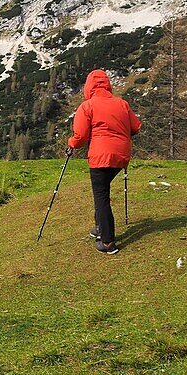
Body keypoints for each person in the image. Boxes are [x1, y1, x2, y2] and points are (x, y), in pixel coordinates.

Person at [67, 69, 141, 255]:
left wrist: (71, 143)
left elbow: (81, 136)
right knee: (103, 191)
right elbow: (136, 127)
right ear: (107, 84)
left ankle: (108, 242)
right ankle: (100, 228)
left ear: (88, 86)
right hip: (121, 156)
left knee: (101, 197)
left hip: (100, 156)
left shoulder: (88, 106)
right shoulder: (122, 104)